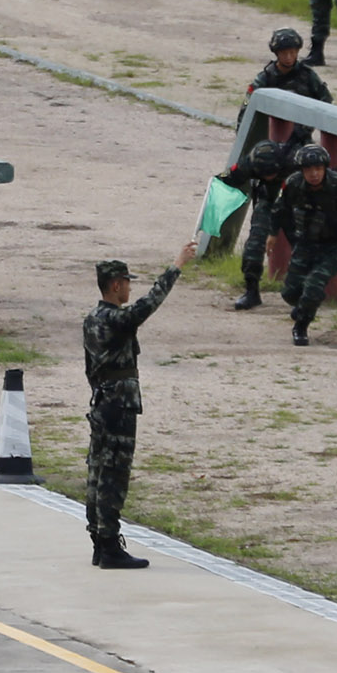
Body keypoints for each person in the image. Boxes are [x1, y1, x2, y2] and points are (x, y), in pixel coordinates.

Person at [83, 241, 204, 569]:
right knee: (114, 473)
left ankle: (98, 539)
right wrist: (176, 265)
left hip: (102, 402)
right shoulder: (114, 319)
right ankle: (109, 544)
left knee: (97, 469)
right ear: (117, 285)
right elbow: (149, 304)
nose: (129, 289)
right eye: (126, 283)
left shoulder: (92, 318)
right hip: (118, 406)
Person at [276, 142, 337, 345]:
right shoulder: (293, 184)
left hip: (334, 244)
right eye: (309, 169)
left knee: (314, 285)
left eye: (318, 169)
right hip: (305, 242)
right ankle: (304, 307)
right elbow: (281, 209)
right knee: (290, 292)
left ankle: (301, 327)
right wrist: (272, 233)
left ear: (325, 168)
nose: (314, 174)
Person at [217, 137, 292, 312]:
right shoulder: (248, 164)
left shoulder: (293, 159)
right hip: (267, 201)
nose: (269, 176)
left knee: (318, 240)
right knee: (254, 246)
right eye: (265, 174)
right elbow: (228, 179)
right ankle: (252, 291)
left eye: (272, 173)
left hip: (296, 203)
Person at [250, 27, 332, 105]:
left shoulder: (308, 75)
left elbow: (326, 101)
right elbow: (248, 102)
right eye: (284, 53)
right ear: (277, 53)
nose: (288, 57)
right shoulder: (265, 77)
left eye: (292, 52)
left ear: (297, 52)